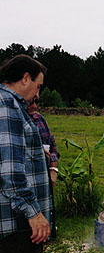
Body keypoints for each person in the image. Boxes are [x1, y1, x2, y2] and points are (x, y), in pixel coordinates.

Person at [0, 55, 52, 253]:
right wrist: (33, 212)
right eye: (38, 86)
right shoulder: (7, 106)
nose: (38, 94)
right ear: (25, 78)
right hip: (17, 225)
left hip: (7, 225)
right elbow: (9, 168)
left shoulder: (11, 105)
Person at [27, 96, 59, 240]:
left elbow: (52, 147)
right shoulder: (12, 121)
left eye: (36, 102)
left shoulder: (39, 119)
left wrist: (53, 170)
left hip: (44, 178)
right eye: (30, 103)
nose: (34, 106)